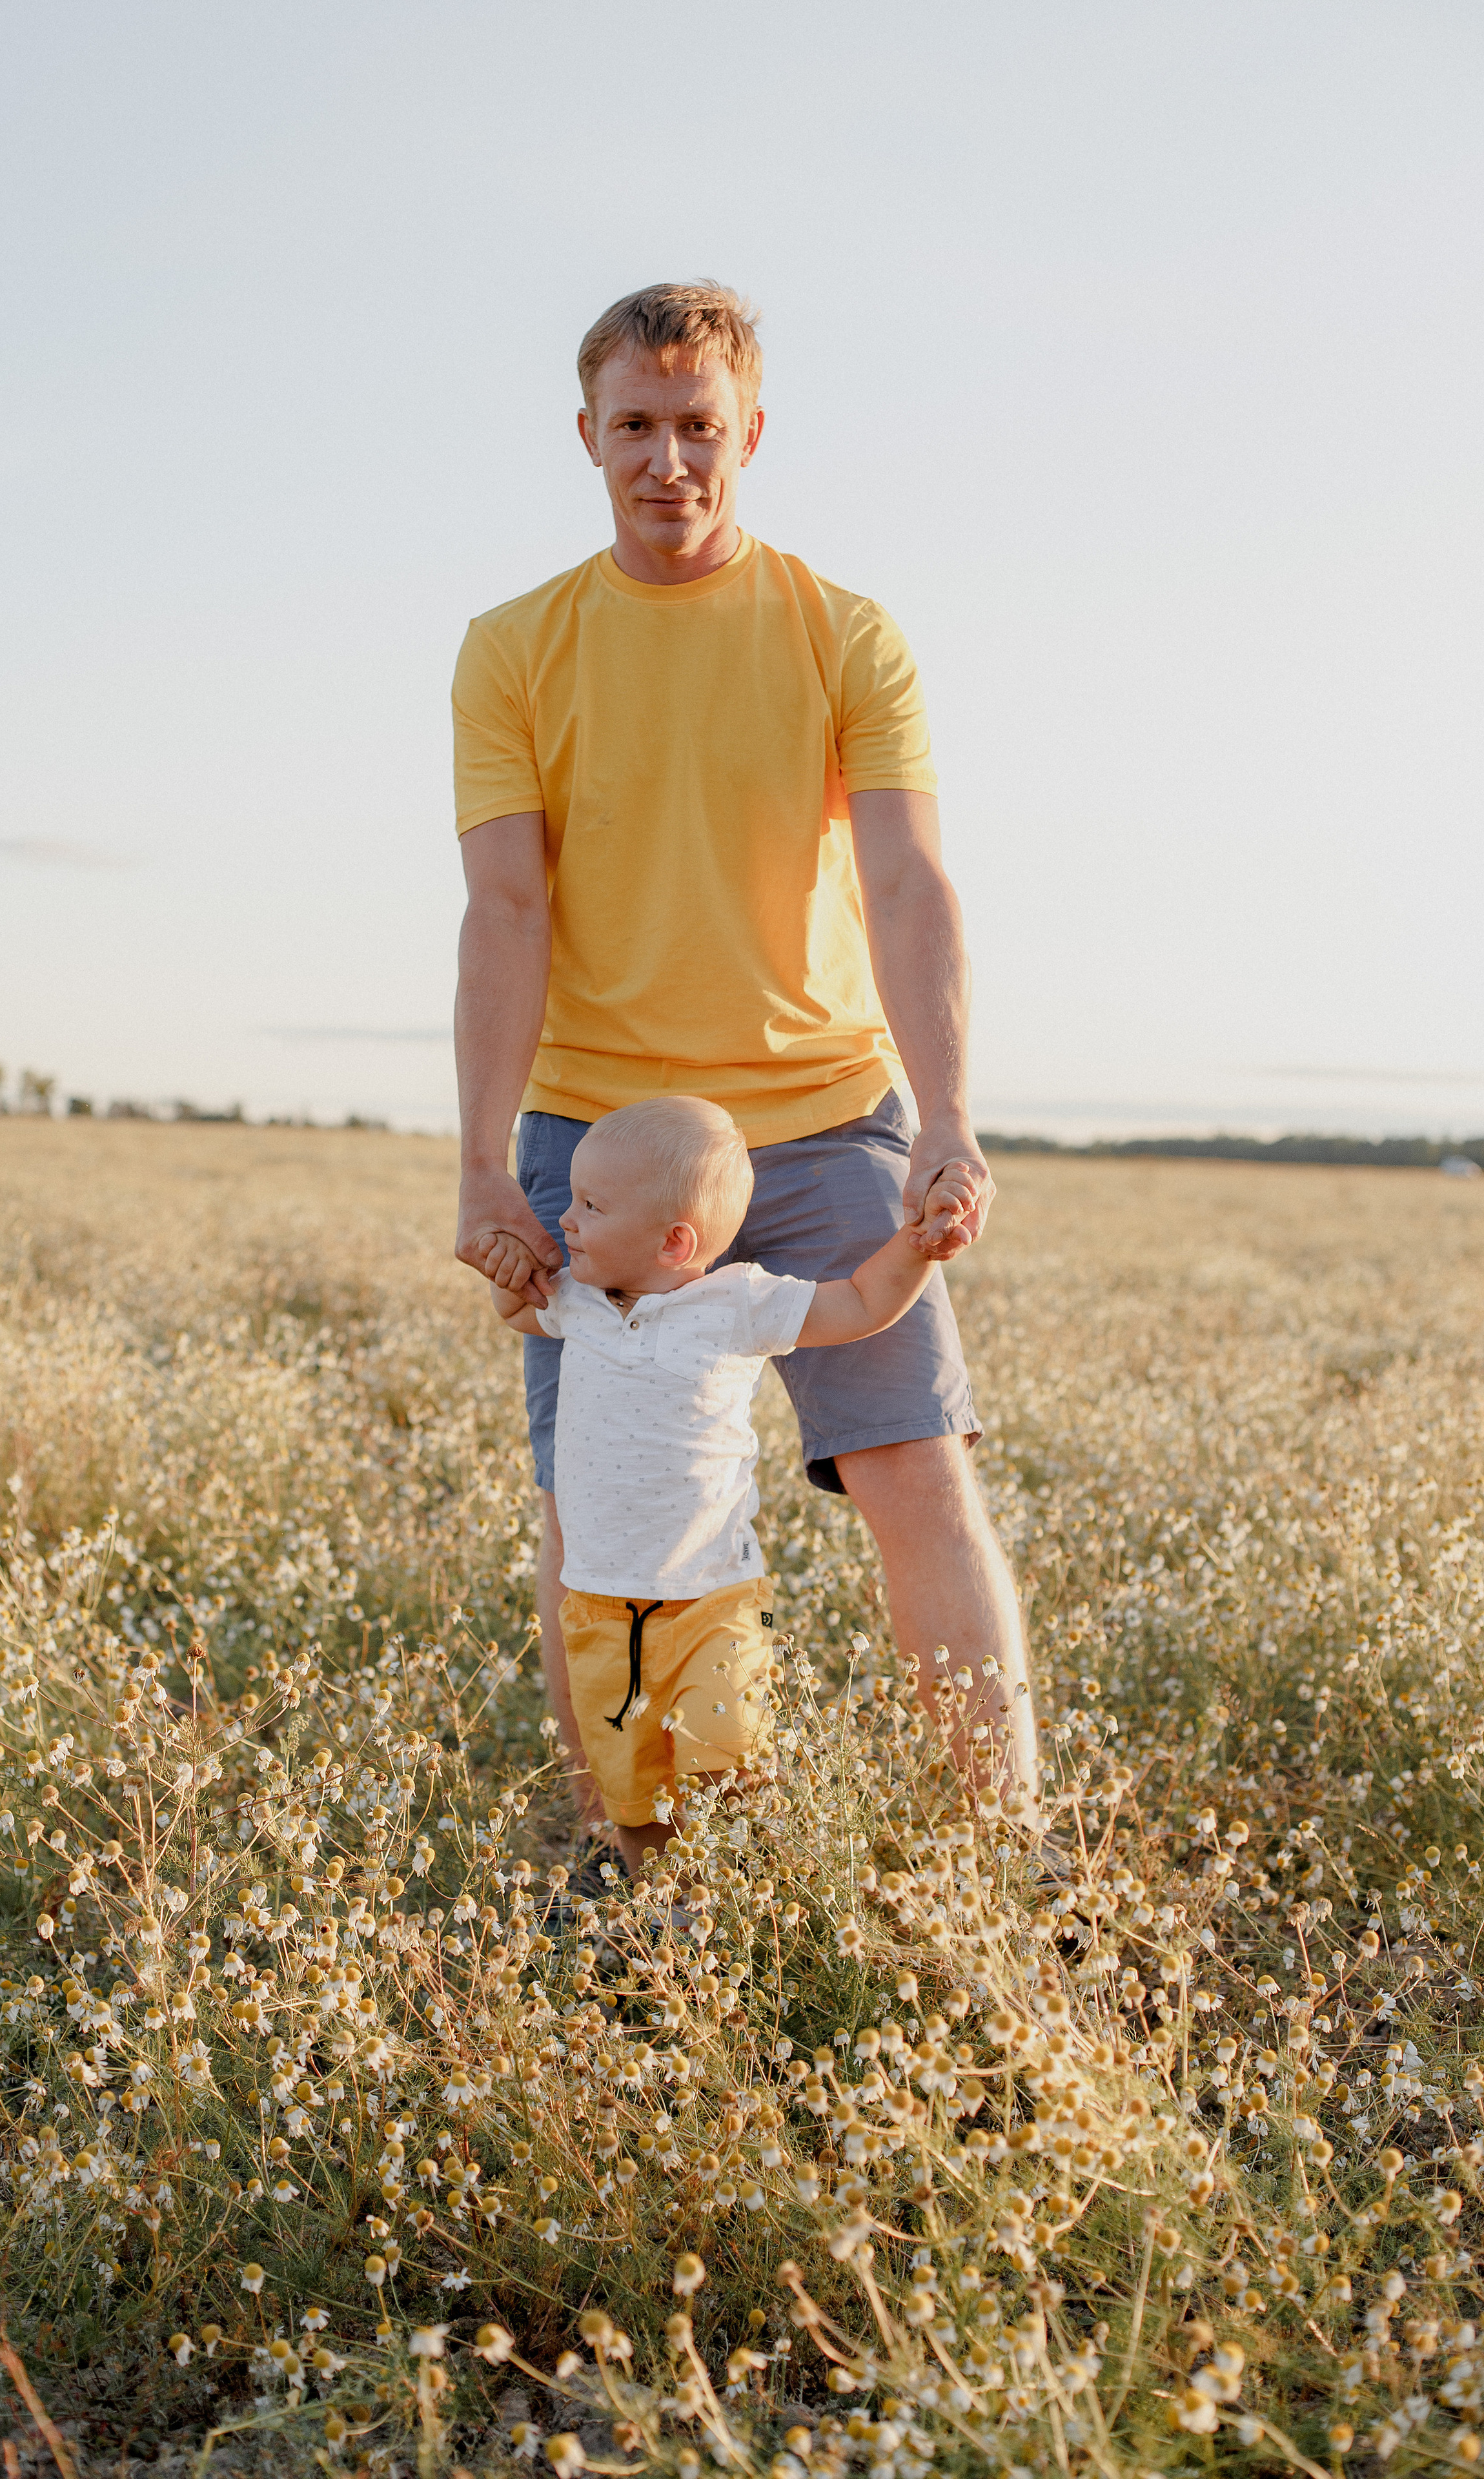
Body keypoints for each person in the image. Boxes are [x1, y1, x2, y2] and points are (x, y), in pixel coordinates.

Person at [451, 278, 1038, 1833]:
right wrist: (476, 1166)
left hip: (825, 1124)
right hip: (597, 1149)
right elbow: (505, 910)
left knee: (915, 1471)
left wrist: (948, 1123)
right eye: (633, 427)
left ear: (750, 434)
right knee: (594, 1517)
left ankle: (1002, 1855)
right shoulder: (510, 648)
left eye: (697, 427)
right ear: (584, 435)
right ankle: (622, 1862)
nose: (667, 461)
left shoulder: (844, 633)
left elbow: (911, 886)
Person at [480, 1096, 972, 1876]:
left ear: (675, 1242)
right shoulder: (573, 1300)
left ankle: (733, 1904)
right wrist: (507, 1270)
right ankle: (660, 1914)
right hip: (602, 1602)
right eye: (571, 1199)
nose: (564, 1220)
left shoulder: (738, 1303)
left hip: (713, 1598)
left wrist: (918, 1246)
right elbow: (515, 1313)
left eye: (590, 1206)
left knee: (728, 1765)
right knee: (632, 1786)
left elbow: (863, 1302)